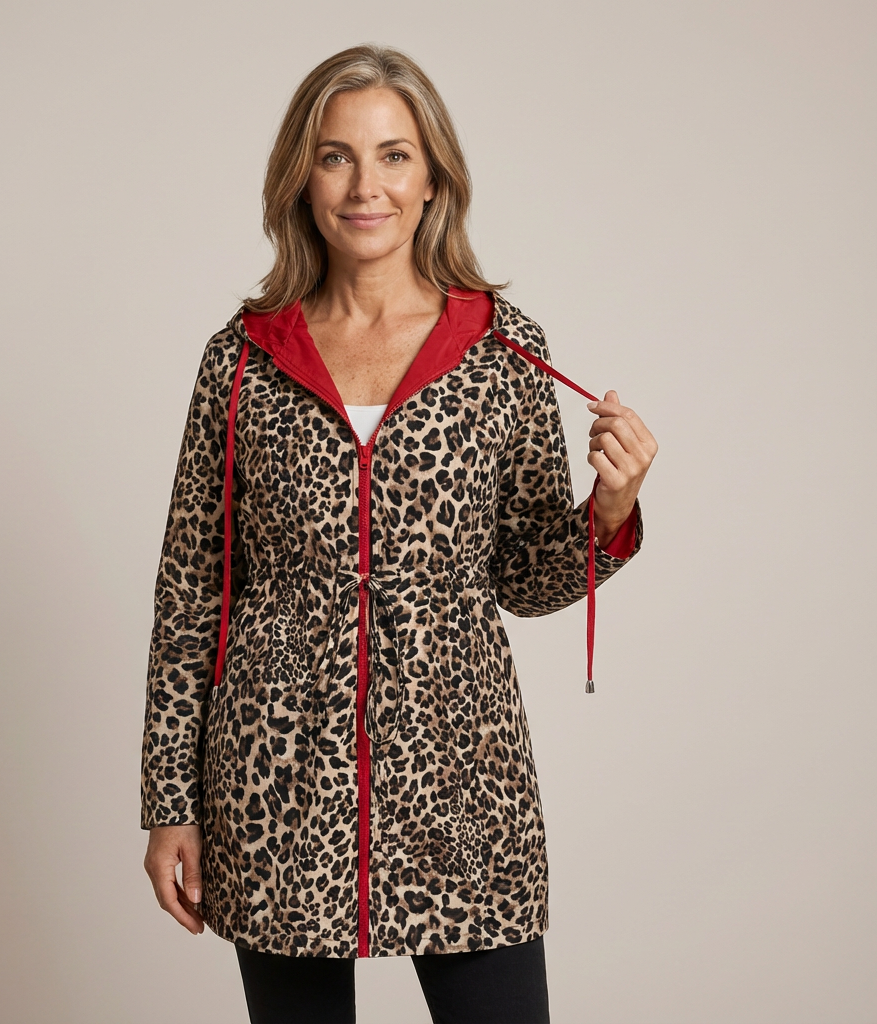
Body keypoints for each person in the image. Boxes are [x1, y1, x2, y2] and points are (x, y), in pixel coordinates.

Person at [140, 44, 657, 1024]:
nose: (363, 186)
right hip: (275, 782)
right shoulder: (242, 360)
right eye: (335, 156)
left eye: (392, 156)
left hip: (464, 782)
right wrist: (170, 801)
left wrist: (610, 513)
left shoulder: (503, 350)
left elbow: (524, 578)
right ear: (301, 179)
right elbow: (192, 594)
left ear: (432, 180)